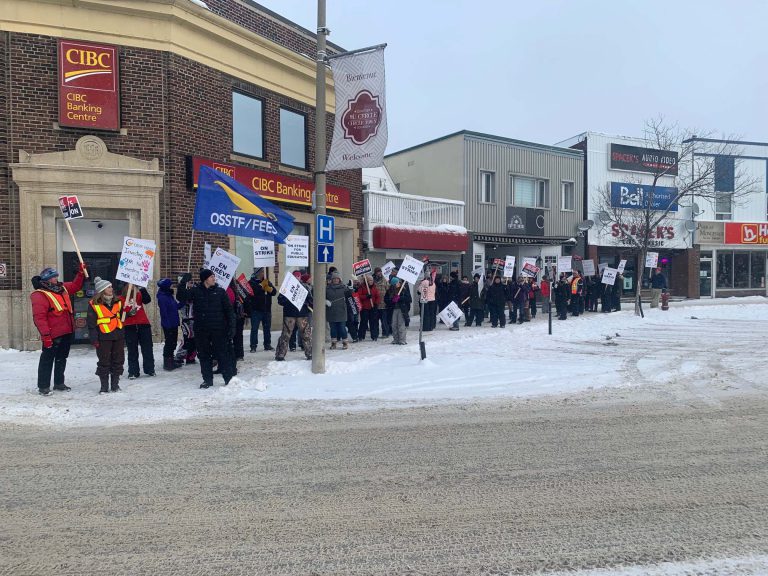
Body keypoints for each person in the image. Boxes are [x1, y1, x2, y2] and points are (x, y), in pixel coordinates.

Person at [30, 263, 87, 395]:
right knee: (47, 360)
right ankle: (43, 386)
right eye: (53, 277)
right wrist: (46, 336)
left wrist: (81, 273)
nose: (56, 279)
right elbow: (39, 318)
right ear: (46, 280)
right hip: (52, 333)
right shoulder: (40, 295)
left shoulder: (61, 288)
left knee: (62, 358)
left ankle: (59, 383)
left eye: (56, 276)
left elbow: (75, 286)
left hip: (66, 330)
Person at [177, 269, 235, 389]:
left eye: (214, 276)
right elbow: (181, 296)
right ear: (205, 279)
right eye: (211, 277)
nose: (214, 278)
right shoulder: (196, 291)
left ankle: (228, 378)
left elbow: (229, 311)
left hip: (218, 329)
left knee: (222, 354)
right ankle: (207, 380)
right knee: (204, 355)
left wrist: (231, 326)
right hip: (202, 330)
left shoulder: (220, 292)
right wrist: (183, 282)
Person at [87, 277, 126, 394]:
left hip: (118, 335)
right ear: (102, 290)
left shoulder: (118, 301)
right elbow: (91, 324)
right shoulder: (94, 304)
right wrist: (94, 339)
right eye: (109, 287)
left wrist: (131, 310)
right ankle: (104, 386)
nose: (111, 288)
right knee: (104, 361)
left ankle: (115, 384)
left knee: (118, 360)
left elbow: (124, 316)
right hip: (103, 336)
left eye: (111, 286)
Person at [275, 273, 312, 361]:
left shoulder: (305, 287)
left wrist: (306, 302)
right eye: (295, 276)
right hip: (289, 314)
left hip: (302, 314)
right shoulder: (286, 287)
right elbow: (280, 300)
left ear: (300, 278)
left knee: (306, 335)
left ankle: (310, 353)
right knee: (285, 335)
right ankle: (280, 354)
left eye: (298, 276)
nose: (297, 278)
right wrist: (288, 298)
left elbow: (310, 300)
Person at [121, 283, 156, 379]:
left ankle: (150, 369)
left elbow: (147, 300)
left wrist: (142, 288)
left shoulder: (139, 295)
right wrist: (128, 314)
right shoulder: (121, 299)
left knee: (147, 348)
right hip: (129, 326)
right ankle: (133, 371)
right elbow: (120, 314)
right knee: (132, 349)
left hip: (143, 324)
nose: (132, 287)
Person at [156, 278, 183, 371]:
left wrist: (183, 302)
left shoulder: (169, 295)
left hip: (174, 322)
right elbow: (164, 313)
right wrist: (168, 325)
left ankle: (171, 360)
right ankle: (168, 363)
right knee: (169, 343)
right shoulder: (162, 297)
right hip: (169, 324)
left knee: (173, 343)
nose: (172, 286)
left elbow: (175, 306)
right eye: (171, 285)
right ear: (166, 287)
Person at [247, 268, 275, 352]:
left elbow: (274, 292)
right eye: (262, 271)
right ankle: (253, 346)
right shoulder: (251, 282)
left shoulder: (267, 281)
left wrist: (269, 289)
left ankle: (267, 344)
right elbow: (252, 292)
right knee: (254, 328)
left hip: (266, 309)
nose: (264, 273)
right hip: (256, 310)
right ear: (257, 273)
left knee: (267, 328)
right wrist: (261, 287)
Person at [174, 273, 197, 366]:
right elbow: (181, 296)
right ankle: (179, 357)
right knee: (187, 339)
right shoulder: (182, 293)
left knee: (194, 339)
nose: (191, 284)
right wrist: (183, 284)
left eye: (192, 283)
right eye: (189, 282)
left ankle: (190, 357)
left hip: (194, 319)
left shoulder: (193, 291)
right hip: (186, 320)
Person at [326, 272, 350, 349]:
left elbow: (350, 294)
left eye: (337, 278)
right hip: (331, 311)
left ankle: (345, 342)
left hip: (341, 311)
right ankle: (333, 343)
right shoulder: (327, 288)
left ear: (339, 279)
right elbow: (321, 296)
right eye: (334, 279)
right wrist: (325, 301)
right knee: (333, 329)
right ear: (332, 280)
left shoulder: (344, 287)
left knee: (342, 328)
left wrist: (351, 288)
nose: (336, 280)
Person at [385, 277, 412, 345]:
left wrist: (400, 298)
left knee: (401, 325)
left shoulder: (403, 290)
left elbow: (408, 299)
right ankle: (396, 339)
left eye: (399, 282)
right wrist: (392, 300)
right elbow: (386, 300)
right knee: (394, 325)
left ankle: (402, 340)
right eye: (397, 282)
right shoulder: (389, 291)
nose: (399, 283)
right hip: (393, 310)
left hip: (401, 310)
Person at [357, 274, 381, 340]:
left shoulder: (374, 287)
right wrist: (366, 296)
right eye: (370, 280)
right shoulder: (362, 287)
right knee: (363, 322)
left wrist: (376, 304)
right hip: (365, 308)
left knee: (373, 322)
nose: (371, 281)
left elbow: (378, 296)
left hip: (372, 307)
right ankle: (361, 336)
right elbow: (359, 296)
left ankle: (374, 336)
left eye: (372, 280)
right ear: (366, 281)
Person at [373, 267, 390, 337]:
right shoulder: (372, 280)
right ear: (375, 273)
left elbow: (388, 289)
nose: (379, 273)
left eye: (380, 272)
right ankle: (375, 334)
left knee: (384, 321)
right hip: (375, 304)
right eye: (378, 272)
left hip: (383, 304)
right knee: (375, 321)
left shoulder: (384, 280)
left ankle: (385, 333)